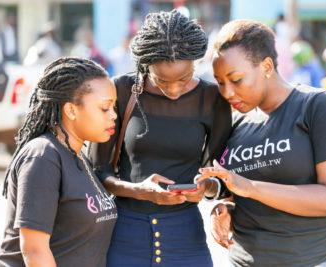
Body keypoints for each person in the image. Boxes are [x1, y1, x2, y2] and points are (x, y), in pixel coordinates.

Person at [197, 19, 326, 267]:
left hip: (319, 260)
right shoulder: (234, 122)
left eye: (237, 79)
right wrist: (222, 206)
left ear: (266, 66)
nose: (228, 92)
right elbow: (233, 187)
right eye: (221, 82)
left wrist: (250, 187)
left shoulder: (318, 107)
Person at [88, 10, 232, 267]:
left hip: (186, 236)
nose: (174, 90)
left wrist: (205, 188)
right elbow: (98, 172)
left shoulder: (212, 99)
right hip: (124, 234)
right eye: (162, 80)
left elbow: (217, 175)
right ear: (146, 65)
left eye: (184, 79)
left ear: (195, 64)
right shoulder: (121, 91)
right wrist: (139, 191)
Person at [0, 57, 118, 267]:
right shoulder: (43, 157)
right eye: (105, 108)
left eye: (114, 107)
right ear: (71, 110)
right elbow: (34, 251)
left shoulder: (77, 155)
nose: (113, 115)